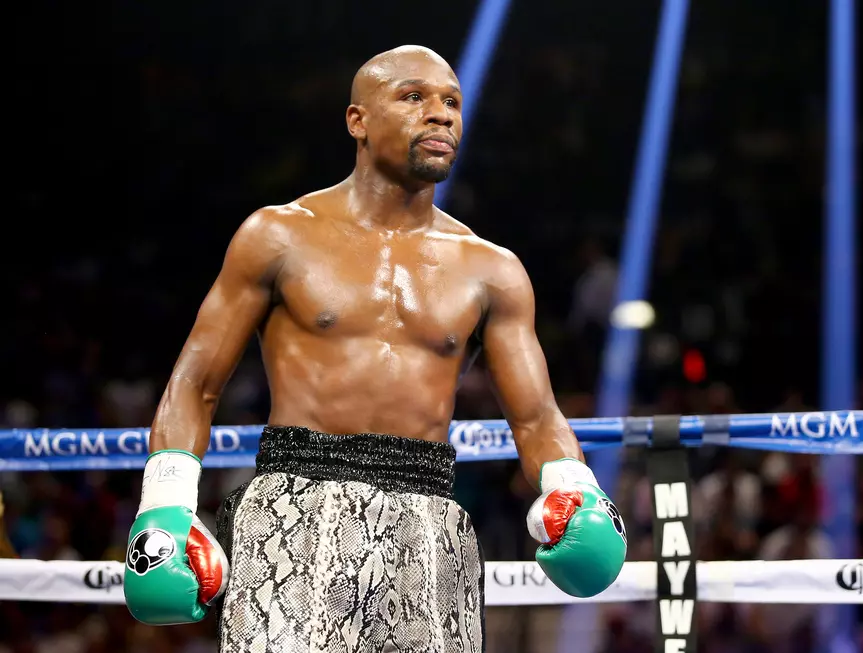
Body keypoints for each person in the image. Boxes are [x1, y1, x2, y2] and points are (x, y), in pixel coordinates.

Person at [122, 45, 627, 652]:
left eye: (452, 103)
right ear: (357, 120)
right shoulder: (278, 235)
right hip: (296, 505)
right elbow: (196, 381)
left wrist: (573, 487)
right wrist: (167, 504)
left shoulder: (492, 270)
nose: (440, 115)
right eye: (414, 97)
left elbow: (536, 416)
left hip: (429, 518)